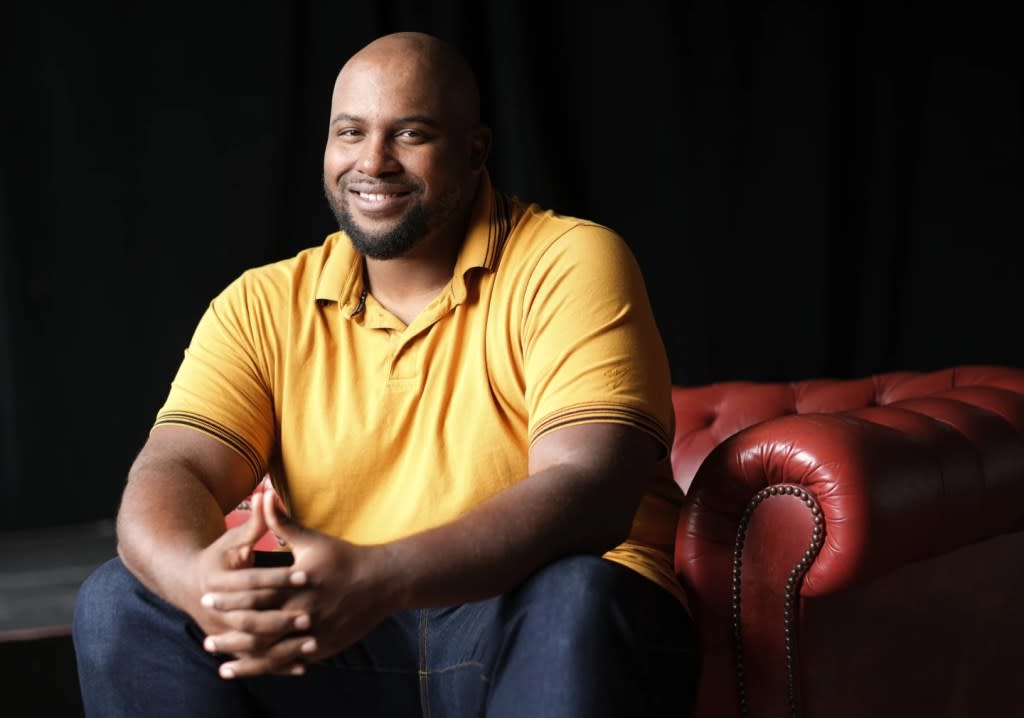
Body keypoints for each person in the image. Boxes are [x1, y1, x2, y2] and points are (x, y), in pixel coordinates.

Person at [72, 31, 698, 717]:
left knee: (578, 591)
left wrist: (380, 576)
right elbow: (175, 469)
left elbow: (588, 489)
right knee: (119, 601)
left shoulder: (569, 261)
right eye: (351, 132)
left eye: (411, 134)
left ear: (475, 149)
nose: (373, 161)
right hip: (343, 638)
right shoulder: (261, 303)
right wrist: (195, 581)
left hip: (531, 619)